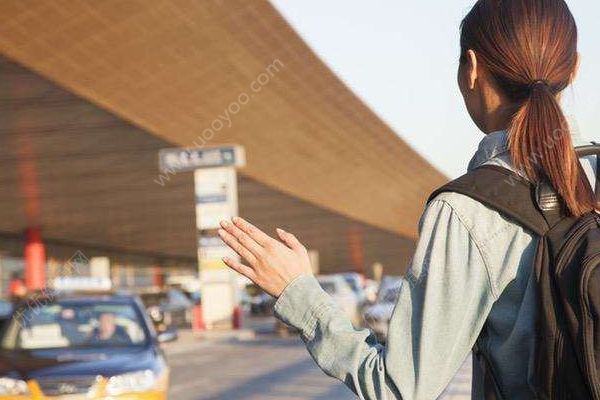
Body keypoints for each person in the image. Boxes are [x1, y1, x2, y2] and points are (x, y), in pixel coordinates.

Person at [217, 0, 598, 399]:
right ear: (573, 69)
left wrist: (298, 291)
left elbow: (400, 388)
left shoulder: (469, 211)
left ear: (471, 69)